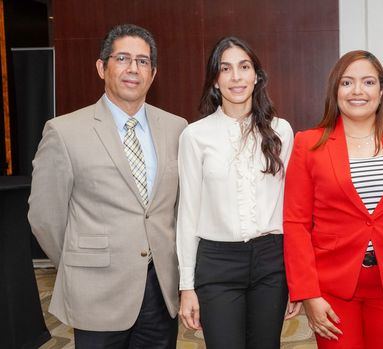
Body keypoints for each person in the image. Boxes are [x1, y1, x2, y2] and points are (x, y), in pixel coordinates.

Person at [28, 24, 187, 348]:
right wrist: (81, 260)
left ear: (153, 74)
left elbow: (178, 208)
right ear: (102, 67)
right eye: (123, 58)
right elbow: (46, 217)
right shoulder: (64, 131)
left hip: (161, 292)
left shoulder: (176, 128)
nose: (133, 69)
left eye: (143, 62)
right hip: (97, 291)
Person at [283, 50, 383, 349]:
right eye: (347, 83)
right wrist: (308, 293)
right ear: (335, 90)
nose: (357, 91)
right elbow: (296, 222)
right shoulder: (309, 143)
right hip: (332, 285)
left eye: (367, 82)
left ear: (381, 90)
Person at [176, 36, 296, 349]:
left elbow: (291, 210)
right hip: (217, 263)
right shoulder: (194, 135)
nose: (236, 77)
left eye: (244, 67)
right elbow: (187, 215)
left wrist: (297, 279)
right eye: (225, 69)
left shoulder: (281, 131)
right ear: (215, 81)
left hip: (272, 261)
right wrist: (186, 285)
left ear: (256, 76)